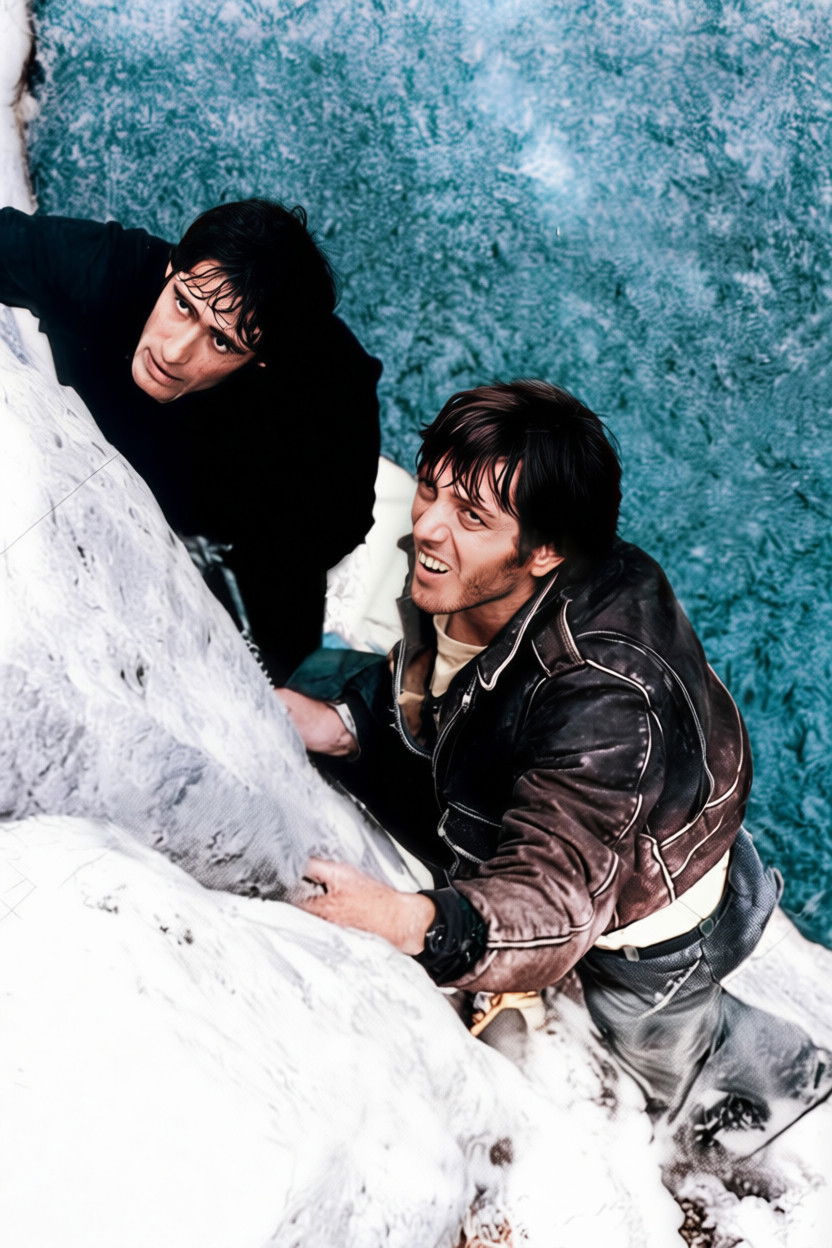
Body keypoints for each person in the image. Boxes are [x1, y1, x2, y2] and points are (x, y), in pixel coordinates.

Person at [279, 379, 831, 1158]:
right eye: (430, 488)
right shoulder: (489, 575)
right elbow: (446, 674)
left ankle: (793, 1095)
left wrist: (410, 921)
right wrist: (348, 724)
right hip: (563, 795)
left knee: (677, 1060)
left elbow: (561, 903)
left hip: (649, 912)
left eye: (471, 516)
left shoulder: (606, 697)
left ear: (545, 550)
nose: (426, 527)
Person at [0, 198, 381, 683]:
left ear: (261, 359)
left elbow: (338, 529)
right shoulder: (108, 268)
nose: (175, 352)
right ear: (170, 268)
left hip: (242, 554)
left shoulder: (322, 398)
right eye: (182, 305)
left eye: (221, 341)